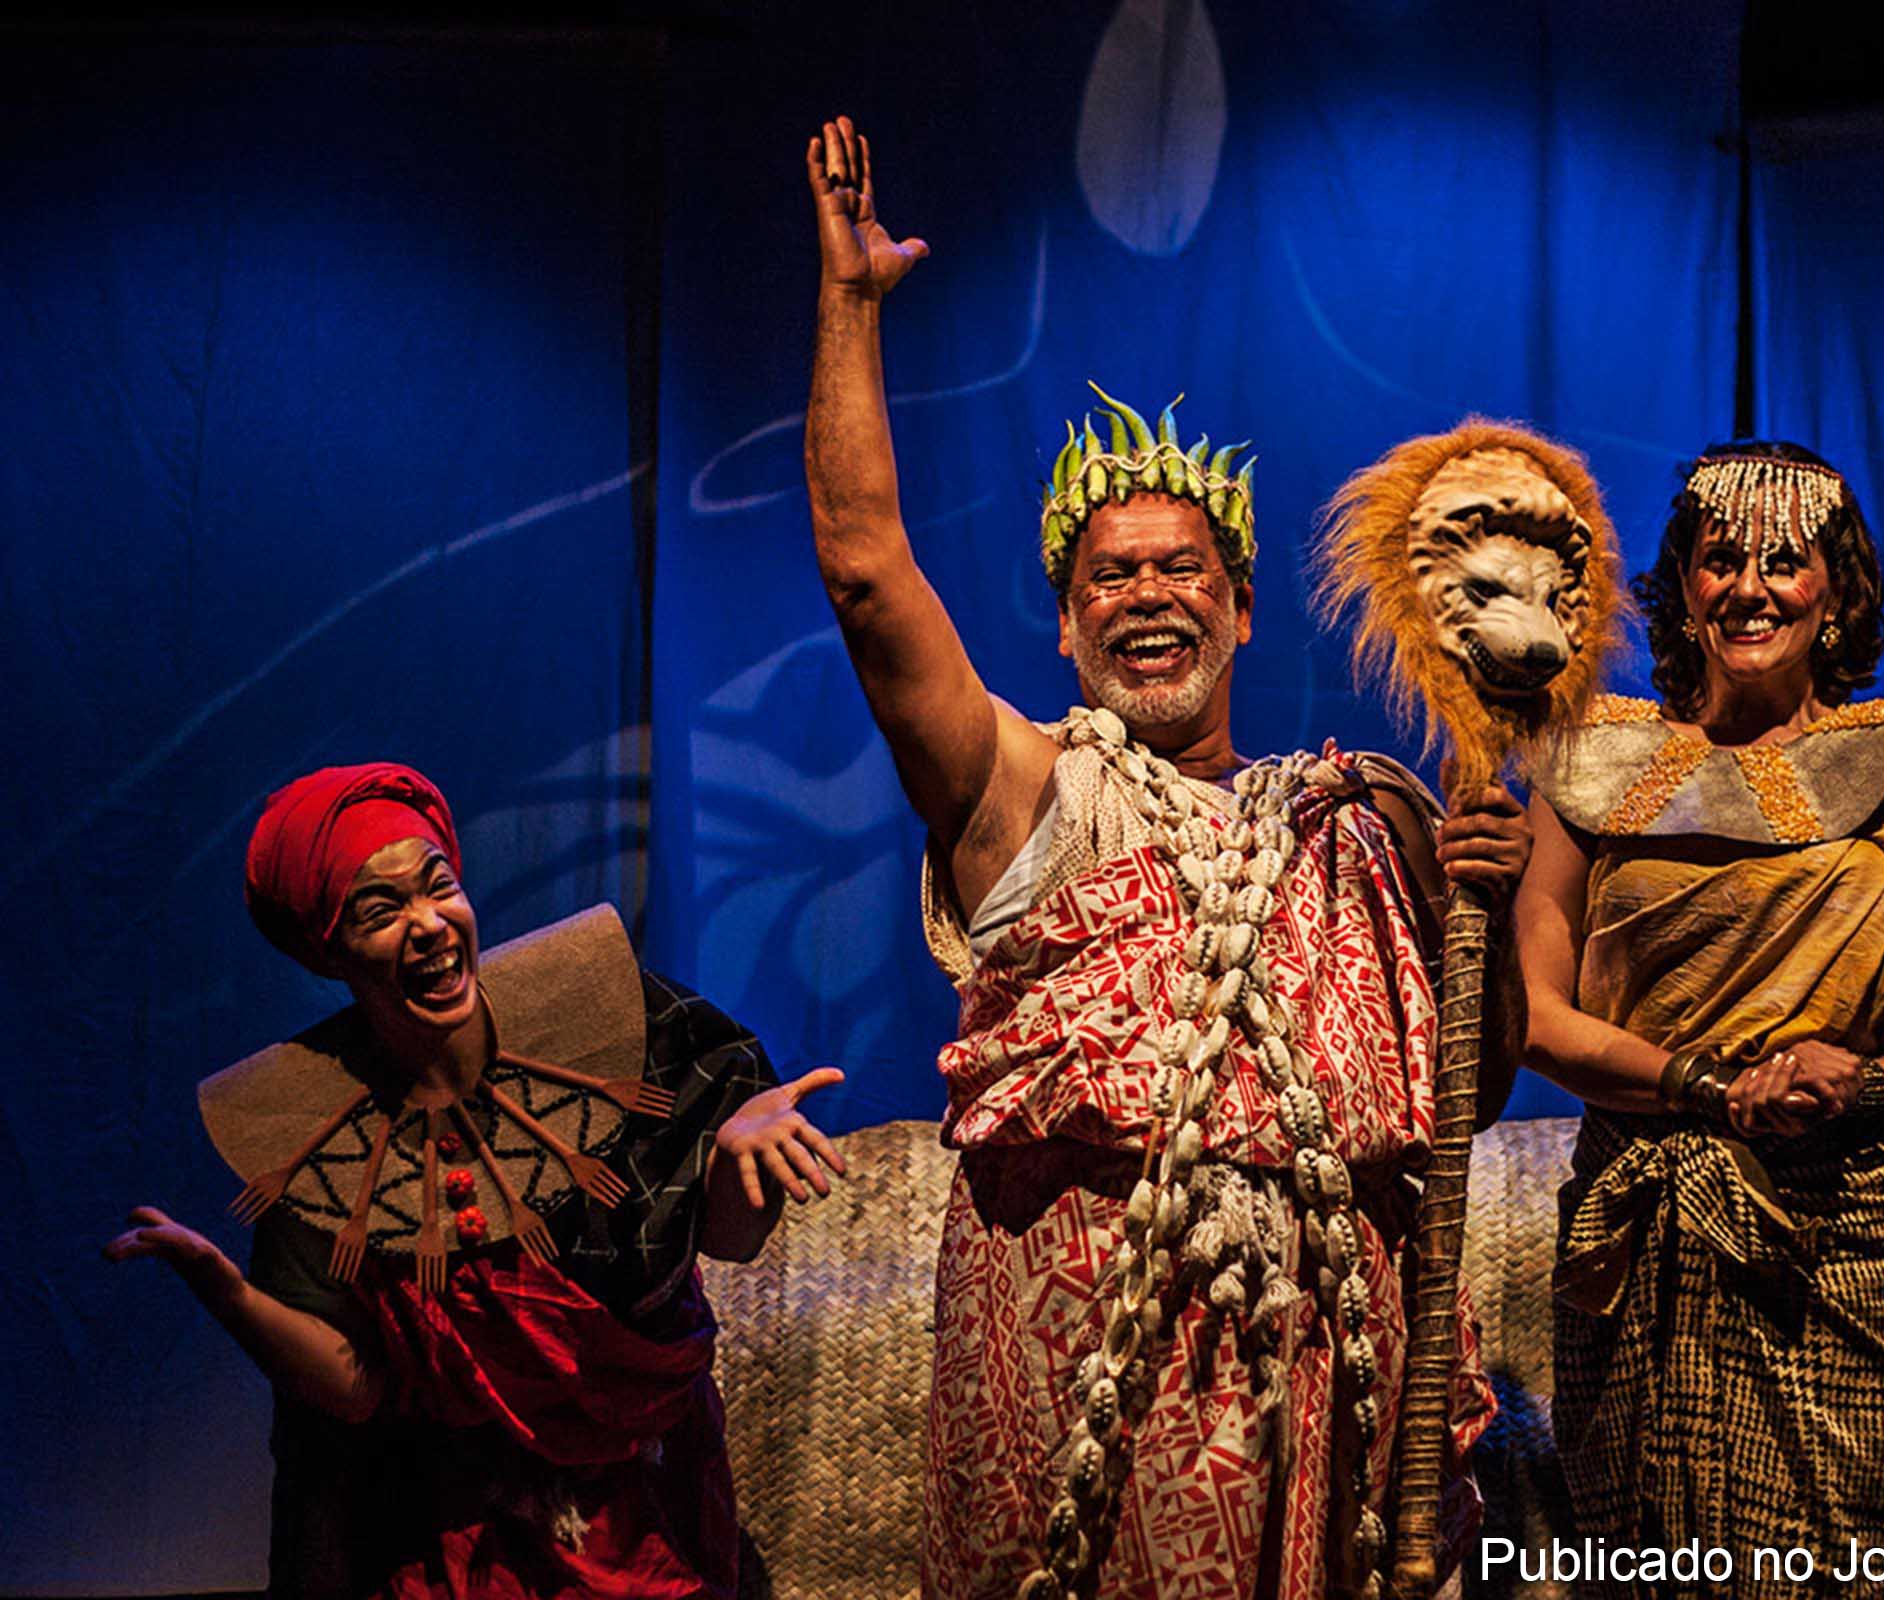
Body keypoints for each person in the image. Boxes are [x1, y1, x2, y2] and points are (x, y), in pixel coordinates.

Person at [802, 116, 1524, 1600]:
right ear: (1065, 627)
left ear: (1242, 610)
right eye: (1107, 575)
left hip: (1327, 1385)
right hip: (1086, 1393)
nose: (1146, 593)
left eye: (1181, 567)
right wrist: (851, 309)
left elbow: (1471, 1086)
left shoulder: (1354, 822)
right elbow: (869, 574)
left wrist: (1489, 918)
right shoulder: (1027, 791)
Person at [103, 762, 846, 1600]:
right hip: (462, 1536)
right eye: (381, 912)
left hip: (643, 1517)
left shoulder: (613, 1022)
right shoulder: (313, 1134)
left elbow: (727, 1244)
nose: (428, 924)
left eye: (437, 887)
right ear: (329, 948)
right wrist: (230, 1296)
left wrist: (732, 1159)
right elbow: (357, 1390)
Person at [1515, 443, 1884, 1596]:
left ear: (1837, 591)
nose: (1750, 585)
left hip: (1834, 1242)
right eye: (1720, 559)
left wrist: (1869, 1084)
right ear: (1682, 588)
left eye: (1785, 560)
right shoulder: (1592, 757)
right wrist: (1707, 1086)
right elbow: (1534, 1016)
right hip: (1640, 1230)